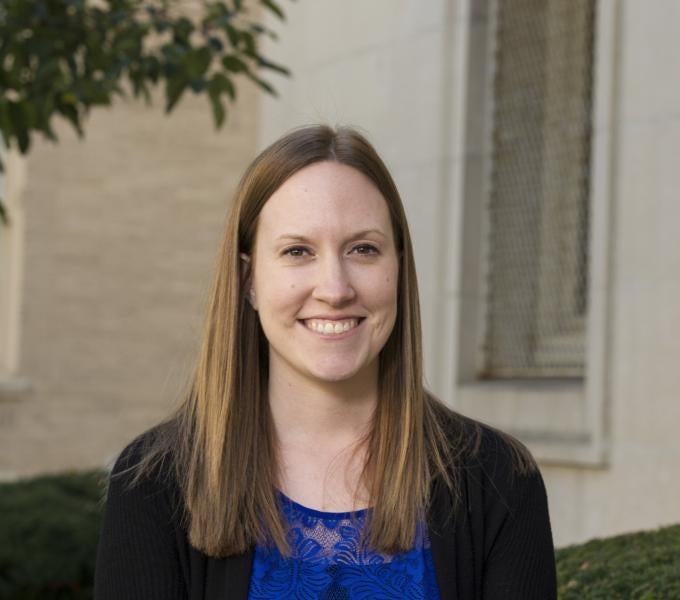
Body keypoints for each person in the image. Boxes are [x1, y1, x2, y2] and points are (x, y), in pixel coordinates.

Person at [94, 125, 557, 599]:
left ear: (398, 267)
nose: (334, 289)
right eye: (298, 251)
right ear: (249, 279)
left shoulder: (499, 481)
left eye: (363, 249)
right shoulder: (153, 485)